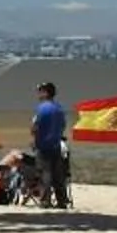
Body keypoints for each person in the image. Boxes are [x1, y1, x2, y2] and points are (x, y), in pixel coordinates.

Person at [32, 82, 73, 210]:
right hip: (56, 145)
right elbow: (63, 126)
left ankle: (45, 201)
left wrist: (35, 137)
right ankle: (62, 201)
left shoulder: (42, 108)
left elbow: (35, 127)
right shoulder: (59, 109)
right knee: (58, 174)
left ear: (45, 93)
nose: (38, 94)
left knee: (45, 173)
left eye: (40, 91)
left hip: (43, 145)